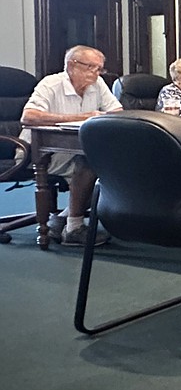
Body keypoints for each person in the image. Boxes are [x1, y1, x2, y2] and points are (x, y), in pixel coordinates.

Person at [19, 45, 122, 246]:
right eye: (91, 67)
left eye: (100, 68)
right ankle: (74, 228)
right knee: (91, 161)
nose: (96, 73)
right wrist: (80, 117)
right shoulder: (51, 84)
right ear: (71, 65)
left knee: (111, 162)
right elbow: (28, 116)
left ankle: (62, 217)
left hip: (75, 147)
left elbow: (117, 111)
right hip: (38, 152)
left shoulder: (97, 84)